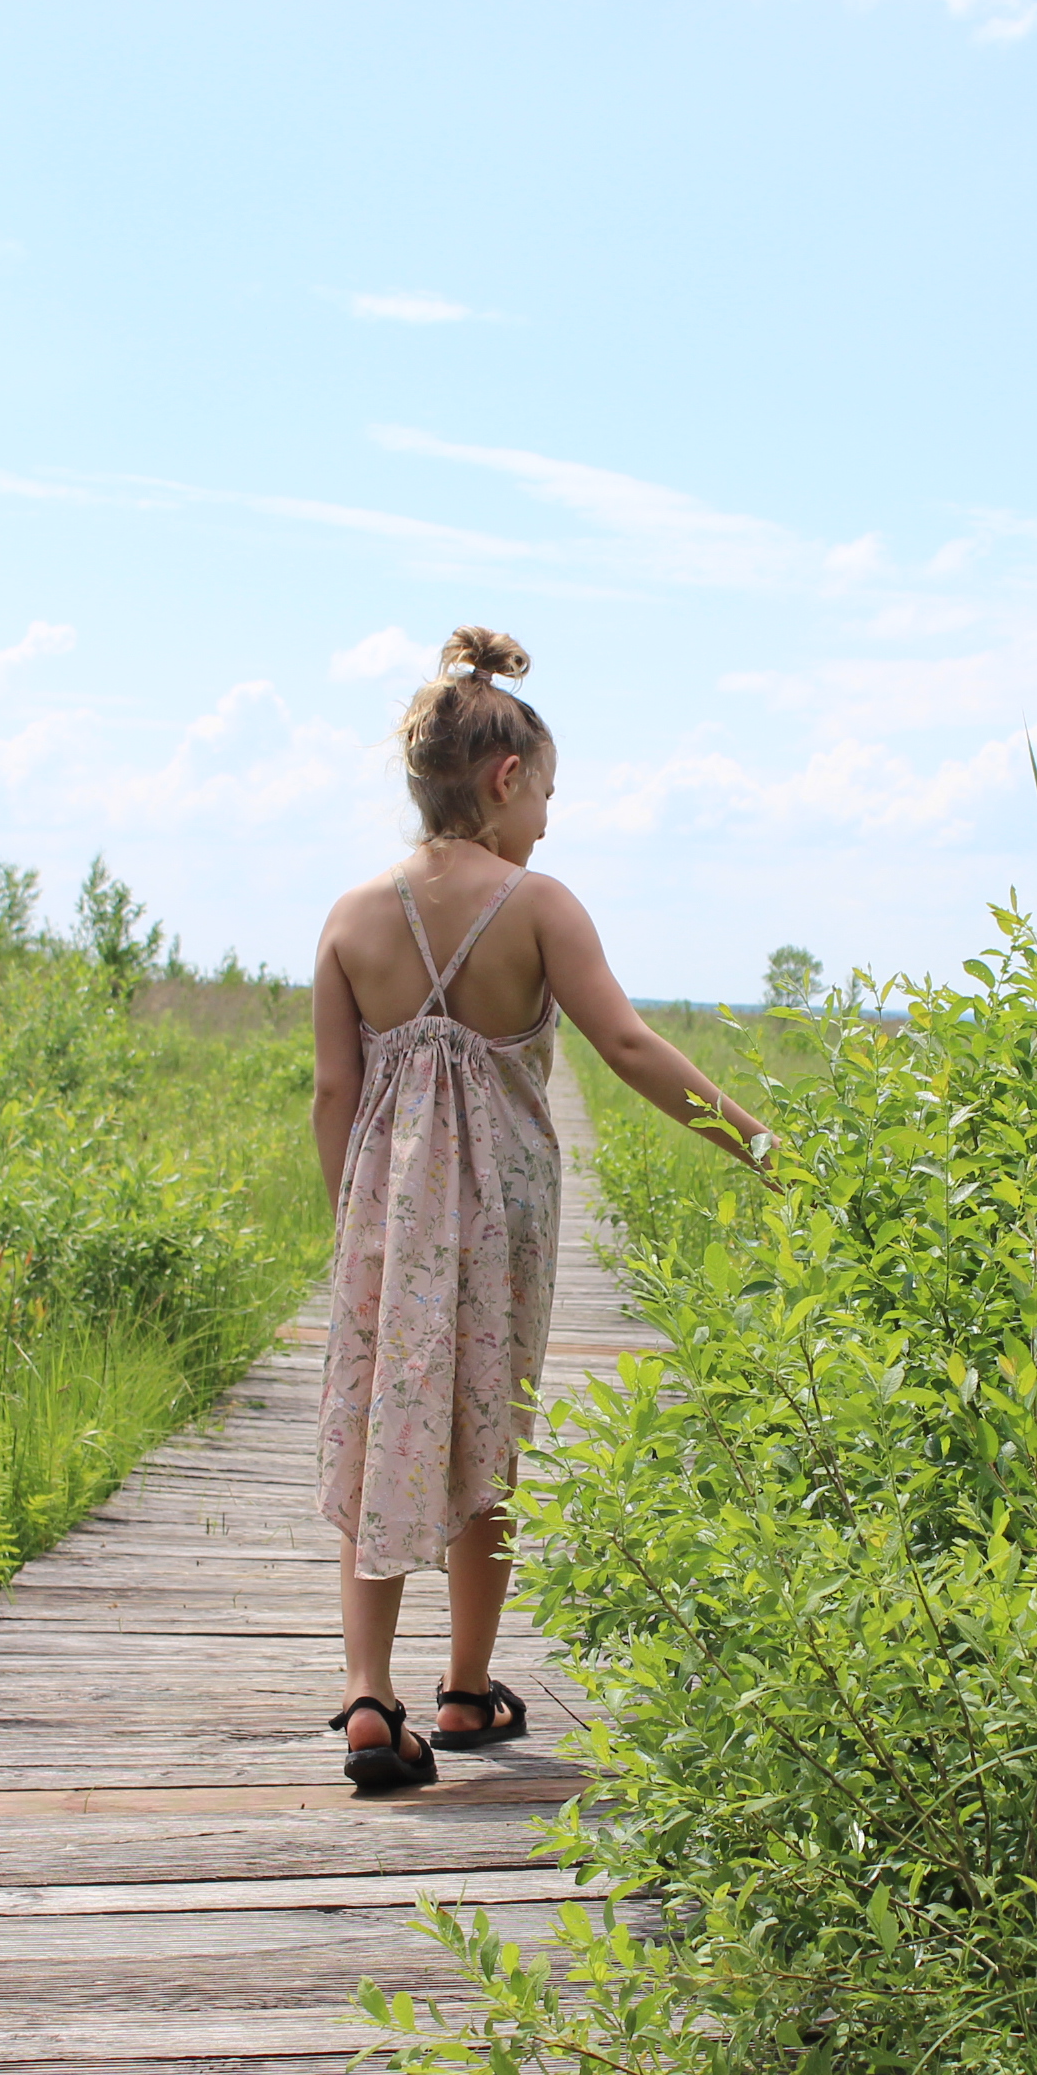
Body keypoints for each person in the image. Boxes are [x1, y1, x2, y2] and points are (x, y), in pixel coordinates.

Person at [310, 626, 771, 1789]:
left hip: (384, 1227)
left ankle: (370, 1698)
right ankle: (467, 1690)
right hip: (505, 1223)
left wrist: (350, 1224)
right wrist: (765, 1148)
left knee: (383, 1441)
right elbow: (623, 1043)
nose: (552, 821)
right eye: (550, 794)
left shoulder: (352, 918)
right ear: (507, 779)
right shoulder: (538, 904)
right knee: (486, 1443)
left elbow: (332, 1090)